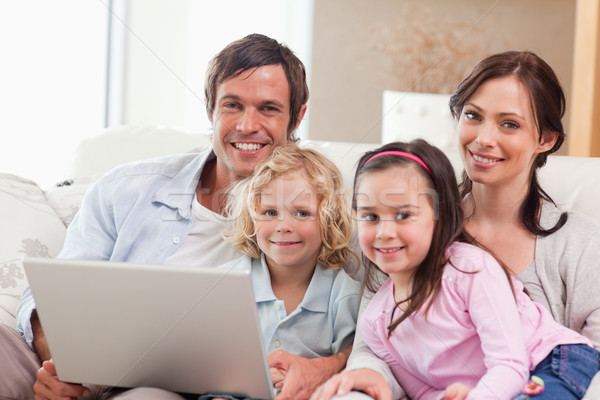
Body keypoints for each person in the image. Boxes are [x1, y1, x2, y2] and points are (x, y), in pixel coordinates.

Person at [0, 33, 352, 400]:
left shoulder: (317, 211)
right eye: (232, 105)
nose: (247, 125)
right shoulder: (125, 188)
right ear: (210, 109)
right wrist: (60, 369)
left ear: (297, 115)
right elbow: (53, 296)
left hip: (164, 390)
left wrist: (325, 366)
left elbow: (374, 323)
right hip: (69, 371)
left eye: (268, 108)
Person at [312, 50, 600, 400]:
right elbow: (377, 351)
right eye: (473, 115)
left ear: (546, 139)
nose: (484, 138)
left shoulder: (580, 244)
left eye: (509, 123)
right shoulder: (409, 230)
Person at [329, 140, 600, 399]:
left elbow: (509, 364)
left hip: (551, 361)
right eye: (370, 216)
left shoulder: (469, 269)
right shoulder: (375, 323)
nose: (385, 232)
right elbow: (422, 391)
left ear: (440, 216)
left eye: (403, 215)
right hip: (493, 386)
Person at [207, 144, 360, 398]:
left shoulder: (343, 293)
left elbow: (350, 367)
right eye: (270, 212)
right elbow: (209, 366)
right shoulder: (226, 284)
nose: (283, 226)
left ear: (328, 219)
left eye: (302, 213)